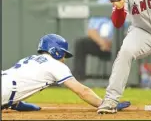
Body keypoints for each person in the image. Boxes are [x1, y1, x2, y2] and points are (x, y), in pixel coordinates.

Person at [1, 34, 130, 111]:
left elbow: (17, 83)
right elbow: (82, 91)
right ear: (55, 51)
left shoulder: (31, 59)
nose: (63, 59)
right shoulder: (55, 65)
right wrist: (106, 104)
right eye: (63, 54)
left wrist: (16, 103)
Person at [73, 0, 114, 81]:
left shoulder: (126, 3)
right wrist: (102, 42)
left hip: (119, 44)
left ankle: (129, 80)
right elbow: (91, 30)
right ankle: (78, 80)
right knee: (81, 43)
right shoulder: (100, 3)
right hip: (101, 43)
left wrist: (113, 42)